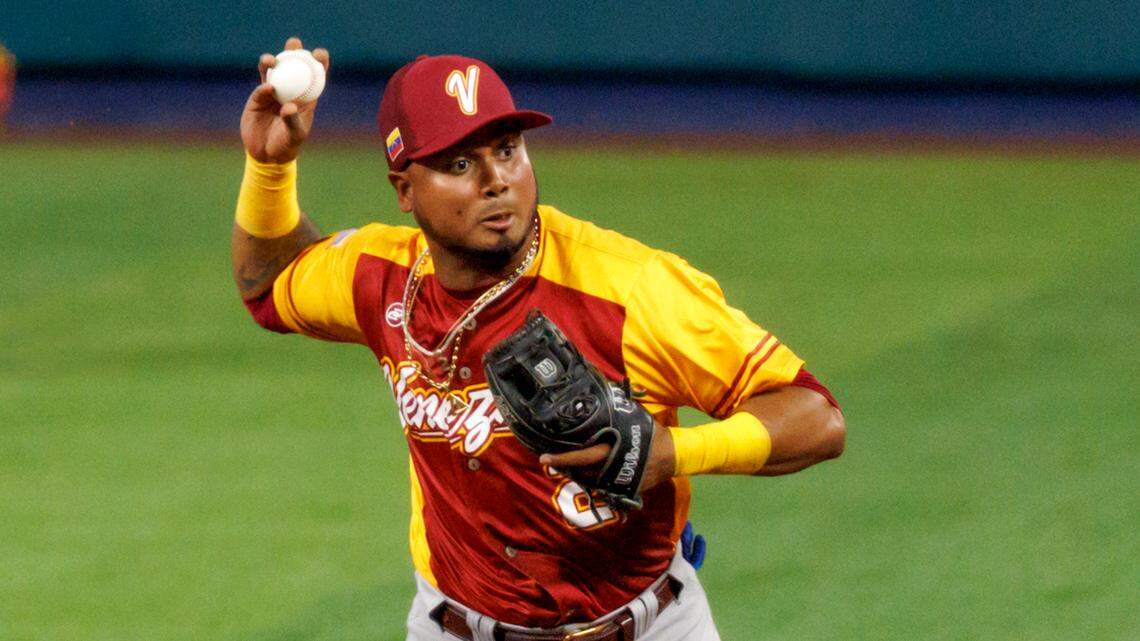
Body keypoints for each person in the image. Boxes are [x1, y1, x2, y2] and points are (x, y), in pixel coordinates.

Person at [233, 37, 845, 641]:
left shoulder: (628, 289)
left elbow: (815, 418)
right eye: (460, 163)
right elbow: (269, 282)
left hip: (650, 624)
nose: (496, 180)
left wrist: (675, 455)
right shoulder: (381, 277)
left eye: (507, 149)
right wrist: (269, 167)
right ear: (404, 190)